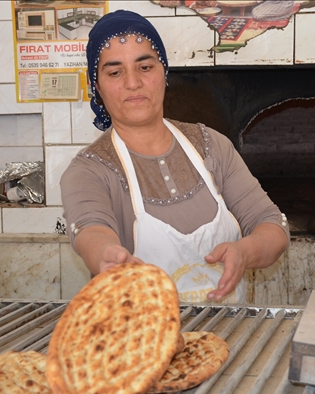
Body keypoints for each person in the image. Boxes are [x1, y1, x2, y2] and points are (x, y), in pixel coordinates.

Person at [60, 9, 289, 304]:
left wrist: (245, 251)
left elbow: (272, 224)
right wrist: (107, 255)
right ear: (97, 86)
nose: (133, 83)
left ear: (163, 72)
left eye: (145, 67)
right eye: (115, 72)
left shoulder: (212, 146)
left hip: (226, 338)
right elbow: (91, 231)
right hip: (141, 342)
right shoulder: (89, 170)